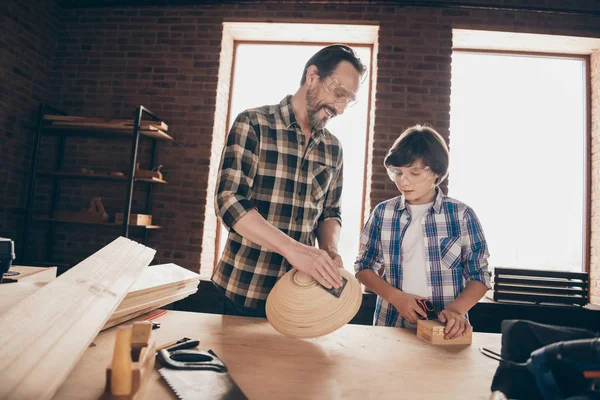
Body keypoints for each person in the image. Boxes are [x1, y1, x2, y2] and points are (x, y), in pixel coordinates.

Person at [213, 45, 368, 318]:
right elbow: (229, 201)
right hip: (242, 293)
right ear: (312, 76)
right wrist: (293, 250)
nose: (340, 109)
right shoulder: (253, 124)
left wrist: (330, 251)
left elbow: (330, 212)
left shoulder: (333, 148)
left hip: (300, 301)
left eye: (348, 100)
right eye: (339, 94)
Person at [354, 125, 491, 339]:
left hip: (446, 332)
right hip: (390, 326)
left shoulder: (462, 215)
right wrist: (397, 298)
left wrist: (456, 310)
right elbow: (363, 268)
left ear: (436, 172)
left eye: (414, 173)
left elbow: (479, 275)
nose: (403, 181)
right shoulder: (383, 213)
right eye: (397, 172)